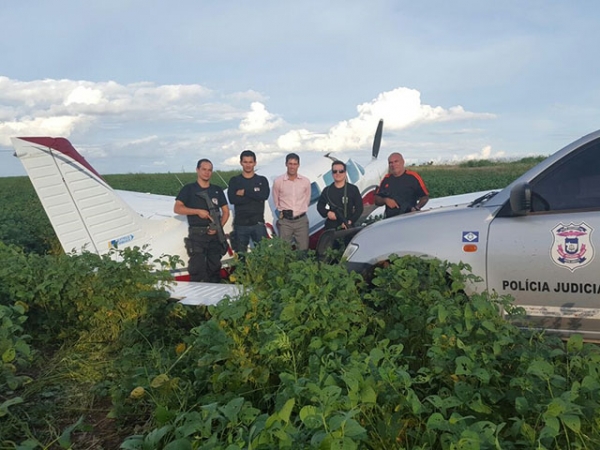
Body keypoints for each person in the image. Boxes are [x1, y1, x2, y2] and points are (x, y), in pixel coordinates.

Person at [174, 158, 230, 282]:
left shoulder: (217, 190)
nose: (207, 172)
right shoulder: (189, 189)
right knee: (197, 269)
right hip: (197, 236)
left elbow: (226, 211)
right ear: (197, 170)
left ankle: (215, 298)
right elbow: (177, 208)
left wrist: (218, 227)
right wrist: (197, 211)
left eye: (209, 170)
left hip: (214, 237)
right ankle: (198, 299)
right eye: (204, 169)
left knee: (215, 269)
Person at [227, 150, 270, 254]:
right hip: (240, 225)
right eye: (245, 162)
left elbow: (264, 196)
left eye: (250, 162)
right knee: (241, 257)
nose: (248, 165)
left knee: (263, 255)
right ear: (241, 162)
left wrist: (245, 192)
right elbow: (233, 200)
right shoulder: (235, 181)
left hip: (258, 224)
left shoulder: (262, 180)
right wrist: (255, 196)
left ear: (255, 163)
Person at [272, 153, 311, 250]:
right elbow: (276, 200)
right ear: (286, 164)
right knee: (284, 249)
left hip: (301, 220)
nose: (292, 166)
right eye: (290, 164)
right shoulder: (278, 181)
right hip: (285, 221)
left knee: (303, 249)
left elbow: (307, 199)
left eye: (295, 164)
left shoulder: (305, 181)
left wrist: (299, 210)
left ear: (298, 165)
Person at [374, 152, 429, 218]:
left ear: (403, 162)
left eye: (396, 161)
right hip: (391, 220)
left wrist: (417, 207)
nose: (393, 165)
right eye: (390, 163)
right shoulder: (386, 179)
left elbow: (424, 197)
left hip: (410, 218)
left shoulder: (413, 177)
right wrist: (385, 200)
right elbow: (377, 200)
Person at [317, 161, 363, 230]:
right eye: (335, 171)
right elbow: (320, 206)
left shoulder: (353, 189)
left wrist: (350, 221)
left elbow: (359, 208)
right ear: (332, 173)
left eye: (341, 171)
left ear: (345, 172)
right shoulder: (327, 190)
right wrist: (327, 213)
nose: (338, 173)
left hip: (348, 227)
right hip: (331, 228)